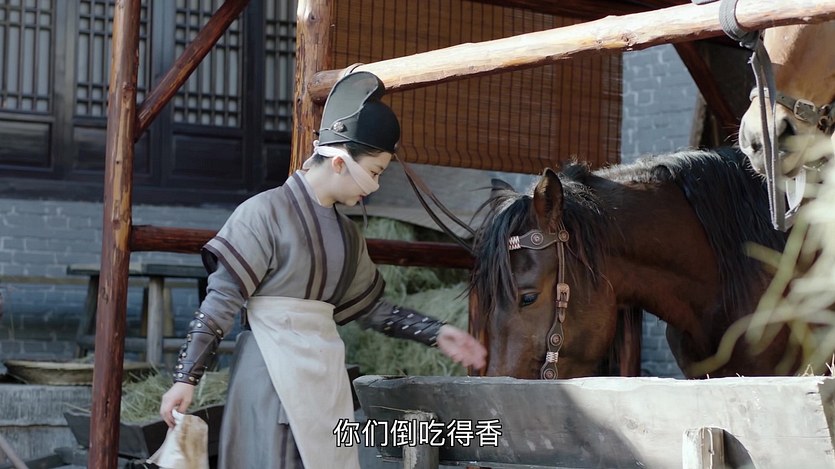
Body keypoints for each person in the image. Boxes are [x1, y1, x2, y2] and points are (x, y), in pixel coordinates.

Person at [159, 71, 487, 469]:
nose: (375, 186)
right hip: (269, 373)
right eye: (375, 172)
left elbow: (372, 310)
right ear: (339, 162)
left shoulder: (348, 235)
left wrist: (436, 332)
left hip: (325, 375)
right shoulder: (263, 212)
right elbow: (221, 302)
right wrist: (186, 378)